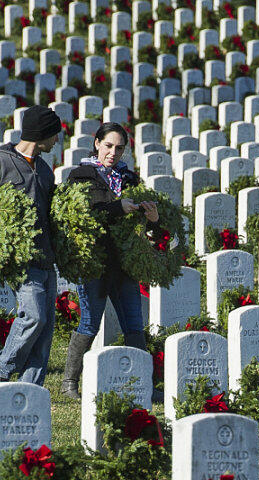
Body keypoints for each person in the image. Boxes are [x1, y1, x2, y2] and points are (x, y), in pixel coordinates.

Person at [0, 105, 62, 385]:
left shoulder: (43, 168)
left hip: (46, 257)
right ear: (41, 133)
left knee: (45, 331)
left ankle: (31, 388)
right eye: (55, 134)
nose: (57, 140)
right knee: (34, 316)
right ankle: (2, 367)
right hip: (19, 257)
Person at [60, 122, 159, 400]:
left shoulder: (130, 179)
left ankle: (143, 385)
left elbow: (141, 225)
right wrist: (118, 207)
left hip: (124, 265)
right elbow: (82, 215)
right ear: (96, 143)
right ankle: (69, 383)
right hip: (94, 263)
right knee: (90, 322)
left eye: (119, 148)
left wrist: (152, 219)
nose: (113, 153)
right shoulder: (80, 176)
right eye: (108, 146)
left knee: (133, 325)